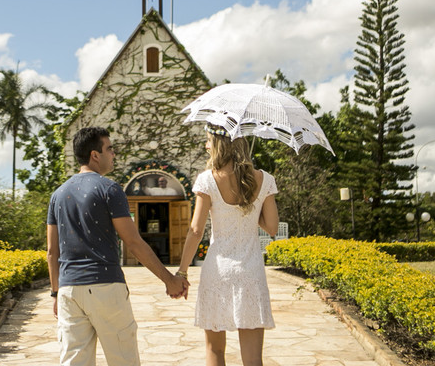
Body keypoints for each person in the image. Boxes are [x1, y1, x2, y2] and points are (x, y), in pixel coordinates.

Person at [47, 126, 189, 366]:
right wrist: (169, 280)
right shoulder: (109, 189)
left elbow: (52, 252)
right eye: (110, 149)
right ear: (95, 155)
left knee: (73, 361)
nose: (114, 154)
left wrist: (55, 293)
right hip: (105, 286)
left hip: (69, 290)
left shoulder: (58, 195)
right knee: (123, 359)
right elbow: (133, 242)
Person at [177, 126, 279, 366]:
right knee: (253, 359)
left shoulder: (207, 179)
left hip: (218, 271)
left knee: (214, 351)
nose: (205, 146)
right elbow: (272, 228)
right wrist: (252, 204)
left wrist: (182, 270)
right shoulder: (264, 179)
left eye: (208, 141)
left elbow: (195, 230)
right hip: (251, 271)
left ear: (220, 144)